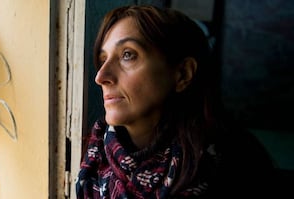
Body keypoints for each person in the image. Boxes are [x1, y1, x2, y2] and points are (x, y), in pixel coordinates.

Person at [75, 5, 275, 199]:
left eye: (128, 55)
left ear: (182, 74)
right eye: (103, 59)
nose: (101, 77)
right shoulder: (93, 158)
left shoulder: (237, 162)